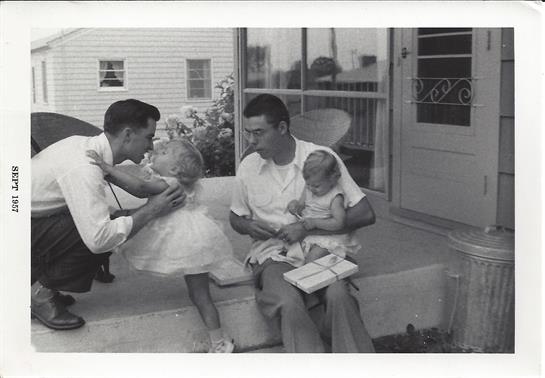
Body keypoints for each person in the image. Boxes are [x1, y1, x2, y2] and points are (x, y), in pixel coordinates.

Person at [230, 94, 376, 353]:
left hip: (321, 249)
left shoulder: (321, 158)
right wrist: (249, 227)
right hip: (274, 254)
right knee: (288, 301)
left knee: (338, 296)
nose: (251, 141)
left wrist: (309, 226)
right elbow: (235, 217)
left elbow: (365, 213)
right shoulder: (249, 166)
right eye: (248, 133)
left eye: (259, 133)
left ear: (283, 128)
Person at [31, 99, 185, 330]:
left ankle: (43, 283)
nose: (151, 147)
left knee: (110, 222)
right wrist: (152, 210)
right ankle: (41, 295)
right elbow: (99, 239)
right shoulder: (84, 166)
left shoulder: (87, 147)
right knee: (102, 234)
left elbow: (135, 190)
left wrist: (148, 208)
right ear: (128, 134)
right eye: (149, 137)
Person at [87, 139, 235, 353]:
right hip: (195, 241)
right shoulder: (175, 181)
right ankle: (218, 339)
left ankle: (220, 342)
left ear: (174, 169)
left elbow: (139, 188)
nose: (156, 151)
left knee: (201, 296)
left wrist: (107, 169)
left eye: (164, 152)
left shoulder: (168, 183)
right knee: (200, 295)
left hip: (186, 240)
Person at [286, 149, 361, 264]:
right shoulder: (309, 188)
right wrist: (295, 206)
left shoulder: (335, 197)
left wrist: (316, 223)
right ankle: (339, 261)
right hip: (310, 233)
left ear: (332, 179)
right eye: (308, 184)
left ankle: (338, 259)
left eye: (316, 186)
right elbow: (301, 205)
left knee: (312, 261)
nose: (311, 188)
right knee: (292, 254)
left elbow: (339, 223)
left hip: (329, 237)